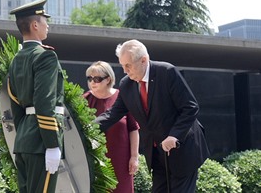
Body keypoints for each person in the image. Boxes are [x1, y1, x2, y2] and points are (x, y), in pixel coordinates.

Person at [95, 40, 210, 193]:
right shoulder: (126, 84)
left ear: (144, 60)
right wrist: (89, 127)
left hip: (183, 149)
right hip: (157, 154)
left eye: (128, 65)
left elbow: (190, 107)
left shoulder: (167, 72)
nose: (125, 71)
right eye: (122, 66)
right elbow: (113, 113)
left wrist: (174, 136)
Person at [7, 0, 65, 193]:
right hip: (42, 140)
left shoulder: (16, 60)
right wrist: (51, 144)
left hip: (24, 139)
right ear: (34, 25)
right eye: (44, 21)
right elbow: (44, 102)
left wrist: (23, 133)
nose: (47, 26)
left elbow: (14, 103)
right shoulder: (46, 56)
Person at [83, 61, 140, 193]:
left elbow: (133, 129)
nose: (92, 82)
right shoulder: (84, 100)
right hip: (94, 161)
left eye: (97, 79)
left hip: (121, 161)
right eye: (89, 78)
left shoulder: (122, 98)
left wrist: (134, 157)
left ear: (108, 79)